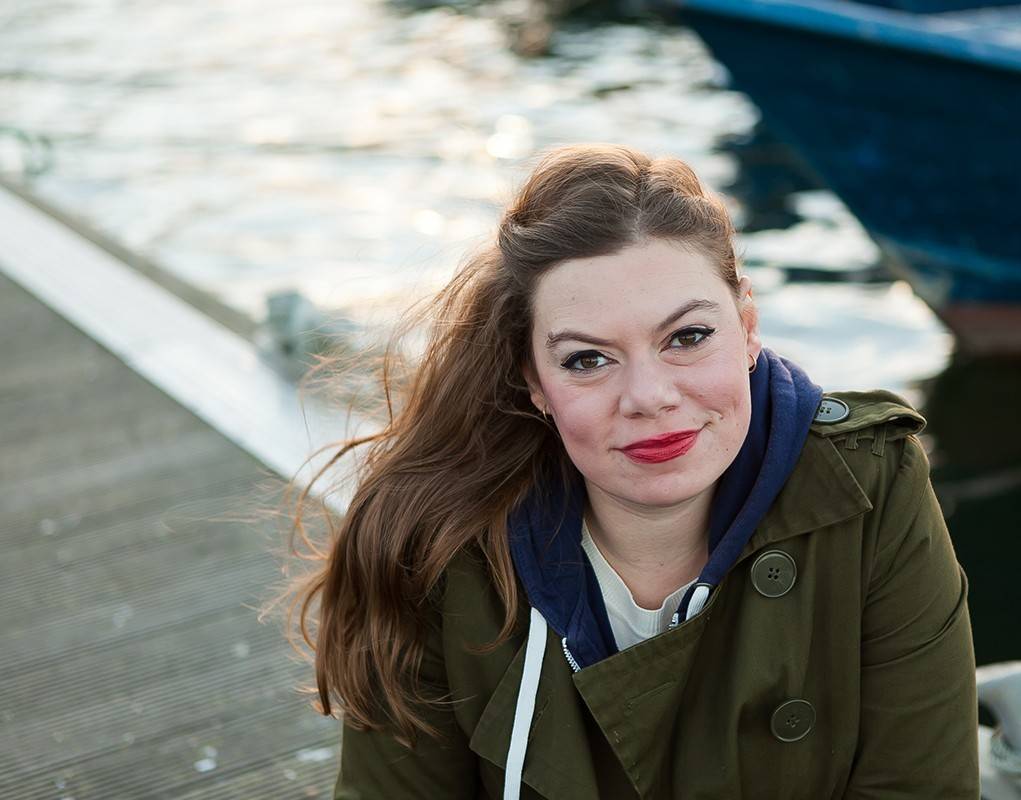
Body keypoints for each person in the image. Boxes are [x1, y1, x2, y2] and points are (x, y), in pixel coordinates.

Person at [284, 143, 978, 798]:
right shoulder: (434, 544)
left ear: (748, 328)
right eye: (588, 359)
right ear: (534, 381)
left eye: (688, 337)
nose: (648, 396)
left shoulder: (870, 483)